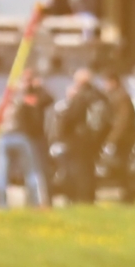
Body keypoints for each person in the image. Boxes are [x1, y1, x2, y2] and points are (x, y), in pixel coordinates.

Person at [0, 73, 49, 209]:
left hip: (4, 137)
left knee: (2, 172)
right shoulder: (22, 102)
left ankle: (2, 206)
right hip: (19, 136)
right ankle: (35, 202)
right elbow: (38, 103)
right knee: (30, 171)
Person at [54, 67, 101, 204]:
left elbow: (70, 117)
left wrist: (62, 133)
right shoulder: (98, 94)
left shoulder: (81, 96)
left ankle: (80, 198)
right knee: (88, 169)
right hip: (93, 138)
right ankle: (88, 197)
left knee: (78, 170)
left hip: (78, 138)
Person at [100, 68, 135, 202]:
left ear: (113, 82)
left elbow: (123, 121)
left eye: (106, 82)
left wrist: (112, 140)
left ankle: (129, 194)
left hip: (124, 139)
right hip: (122, 138)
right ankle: (126, 193)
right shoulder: (114, 95)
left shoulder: (121, 97)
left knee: (123, 166)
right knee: (120, 167)